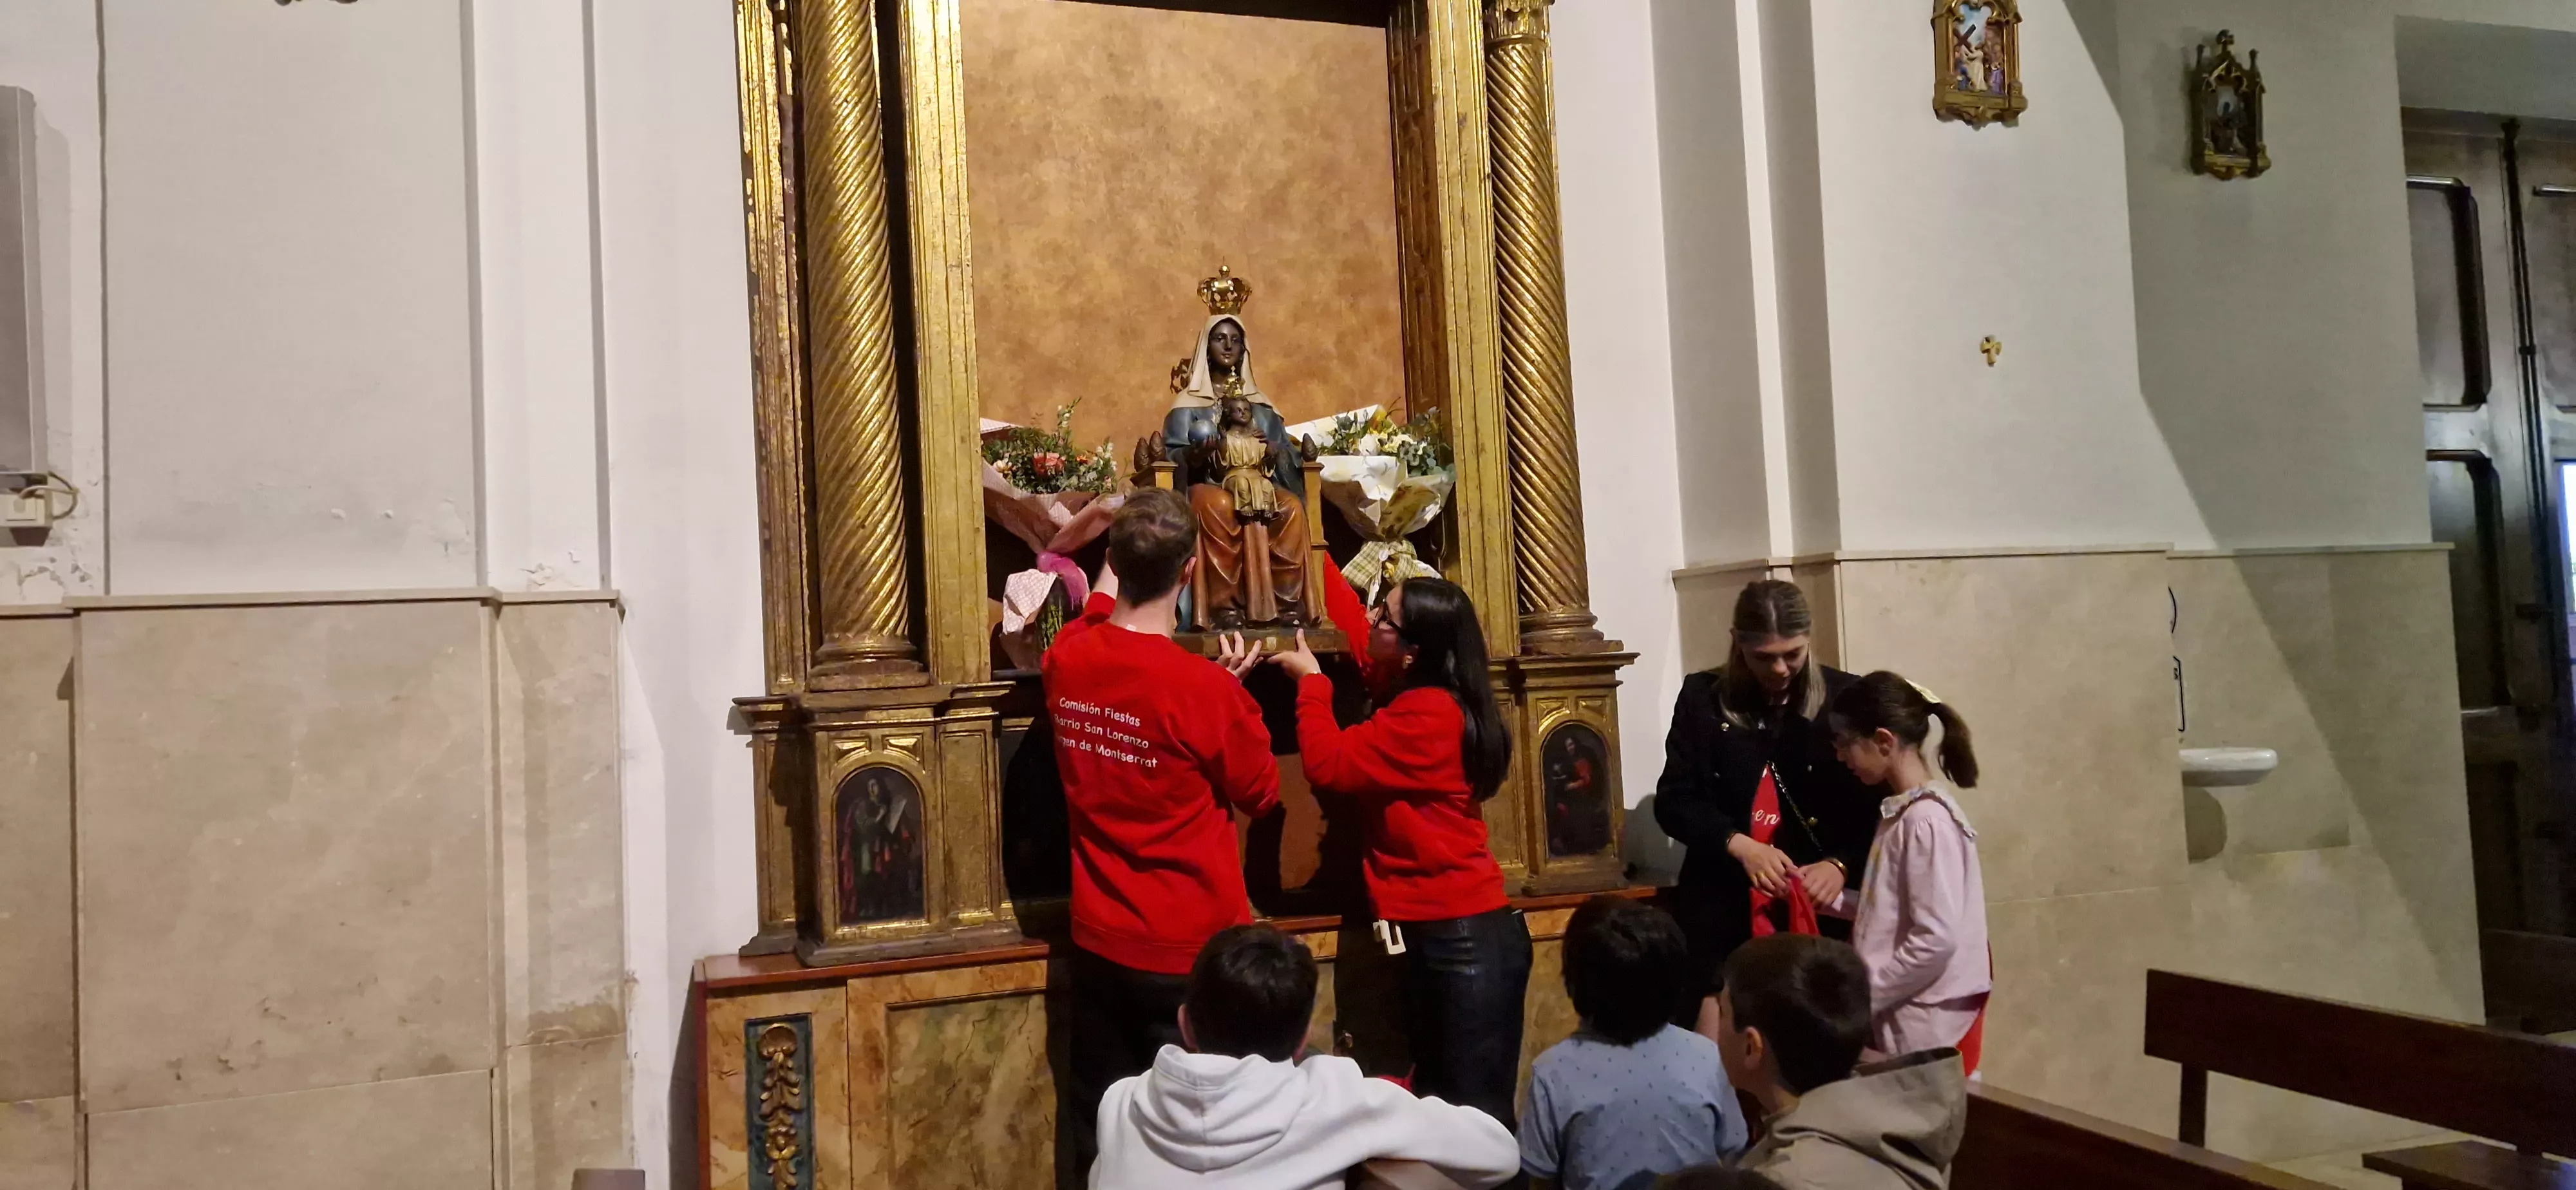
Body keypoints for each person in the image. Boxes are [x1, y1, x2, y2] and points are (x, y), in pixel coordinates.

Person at [1044, 489, 1282, 1174]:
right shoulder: (1204, 690)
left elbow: (1099, 607)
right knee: (1199, 1146)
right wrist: (1232, 696)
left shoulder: (1068, 654)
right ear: (1191, 570)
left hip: (1098, 935)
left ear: (1113, 559)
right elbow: (1261, 793)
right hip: (1189, 948)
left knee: (1104, 1132)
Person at [1267, 577, 1530, 1126]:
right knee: (1439, 1105)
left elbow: (1330, 763)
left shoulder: (1429, 712)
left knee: (1472, 1122)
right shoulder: (1426, 685)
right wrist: (1317, 557)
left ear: (1414, 651)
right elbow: (1356, 621)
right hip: (1446, 930)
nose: (1371, 622)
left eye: (1384, 619)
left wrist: (1312, 684)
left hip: (1460, 938)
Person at [1092, 925, 1521, 1190]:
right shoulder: (1330, 1096)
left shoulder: (1121, 1103)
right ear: (1303, 1042)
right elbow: (1499, 1154)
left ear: (1185, 1025)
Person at [1654, 581, 1878, 1005]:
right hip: (1723, 906)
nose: (1779, 669)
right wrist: (1738, 845)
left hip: (1816, 908)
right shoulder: (1703, 698)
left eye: (1792, 655)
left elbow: (1874, 809)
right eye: (1764, 657)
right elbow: (1675, 800)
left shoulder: (1845, 697)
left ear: (1809, 639)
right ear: (1737, 643)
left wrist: (1841, 864)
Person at [1669, 934, 1966, 1190]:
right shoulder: (1893, 1124)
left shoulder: (1786, 1180)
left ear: (1752, 1048)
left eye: (1722, 1011)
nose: (1715, 1024)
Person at [1520, 896, 1748, 1190]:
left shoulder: (1552, 1072)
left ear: (1573, 982)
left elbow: (1542, 1180)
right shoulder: (1705, 1055)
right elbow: (1736, 1153)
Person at [1823, 673, 1991, 1070]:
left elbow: (1936, 938)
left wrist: (1866, 995)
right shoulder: (1903, 813)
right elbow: (1892, 909)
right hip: (1909, 1013)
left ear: (1884, 740)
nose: (1840, 756)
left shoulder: (1925, 821)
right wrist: (1822, 895)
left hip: (1927, 1025)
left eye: (1845, 743)